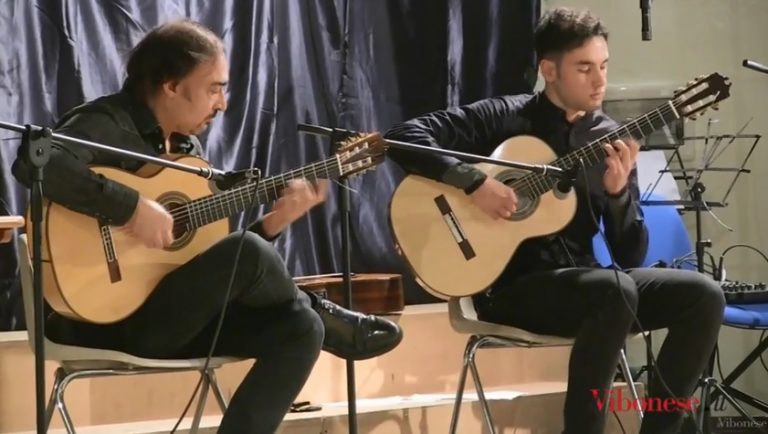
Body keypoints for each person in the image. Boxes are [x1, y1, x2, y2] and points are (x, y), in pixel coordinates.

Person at [12, 20, 402, 434]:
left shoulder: (187, 151)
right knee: (252, 259)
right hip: (105, 322)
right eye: (214, 88)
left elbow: (211, 265)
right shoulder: (108, 122)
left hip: (172, 318)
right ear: (171, 86)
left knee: (301, 328)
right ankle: (329, 315)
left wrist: (273, 223)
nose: (223, 103)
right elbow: (36, 162)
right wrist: (129, 208)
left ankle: (317, 317)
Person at [385, 7, 725, 434]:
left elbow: (629, 254)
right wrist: (474, 183)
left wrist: (618, 194)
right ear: (549, 69)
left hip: (591, 290)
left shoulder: (608, 138)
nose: (600, 80)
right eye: (584, 68)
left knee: (704, 294)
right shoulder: (505, 117)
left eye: (603, 66)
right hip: (509, 288)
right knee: (613, 290)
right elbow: (400, 136)